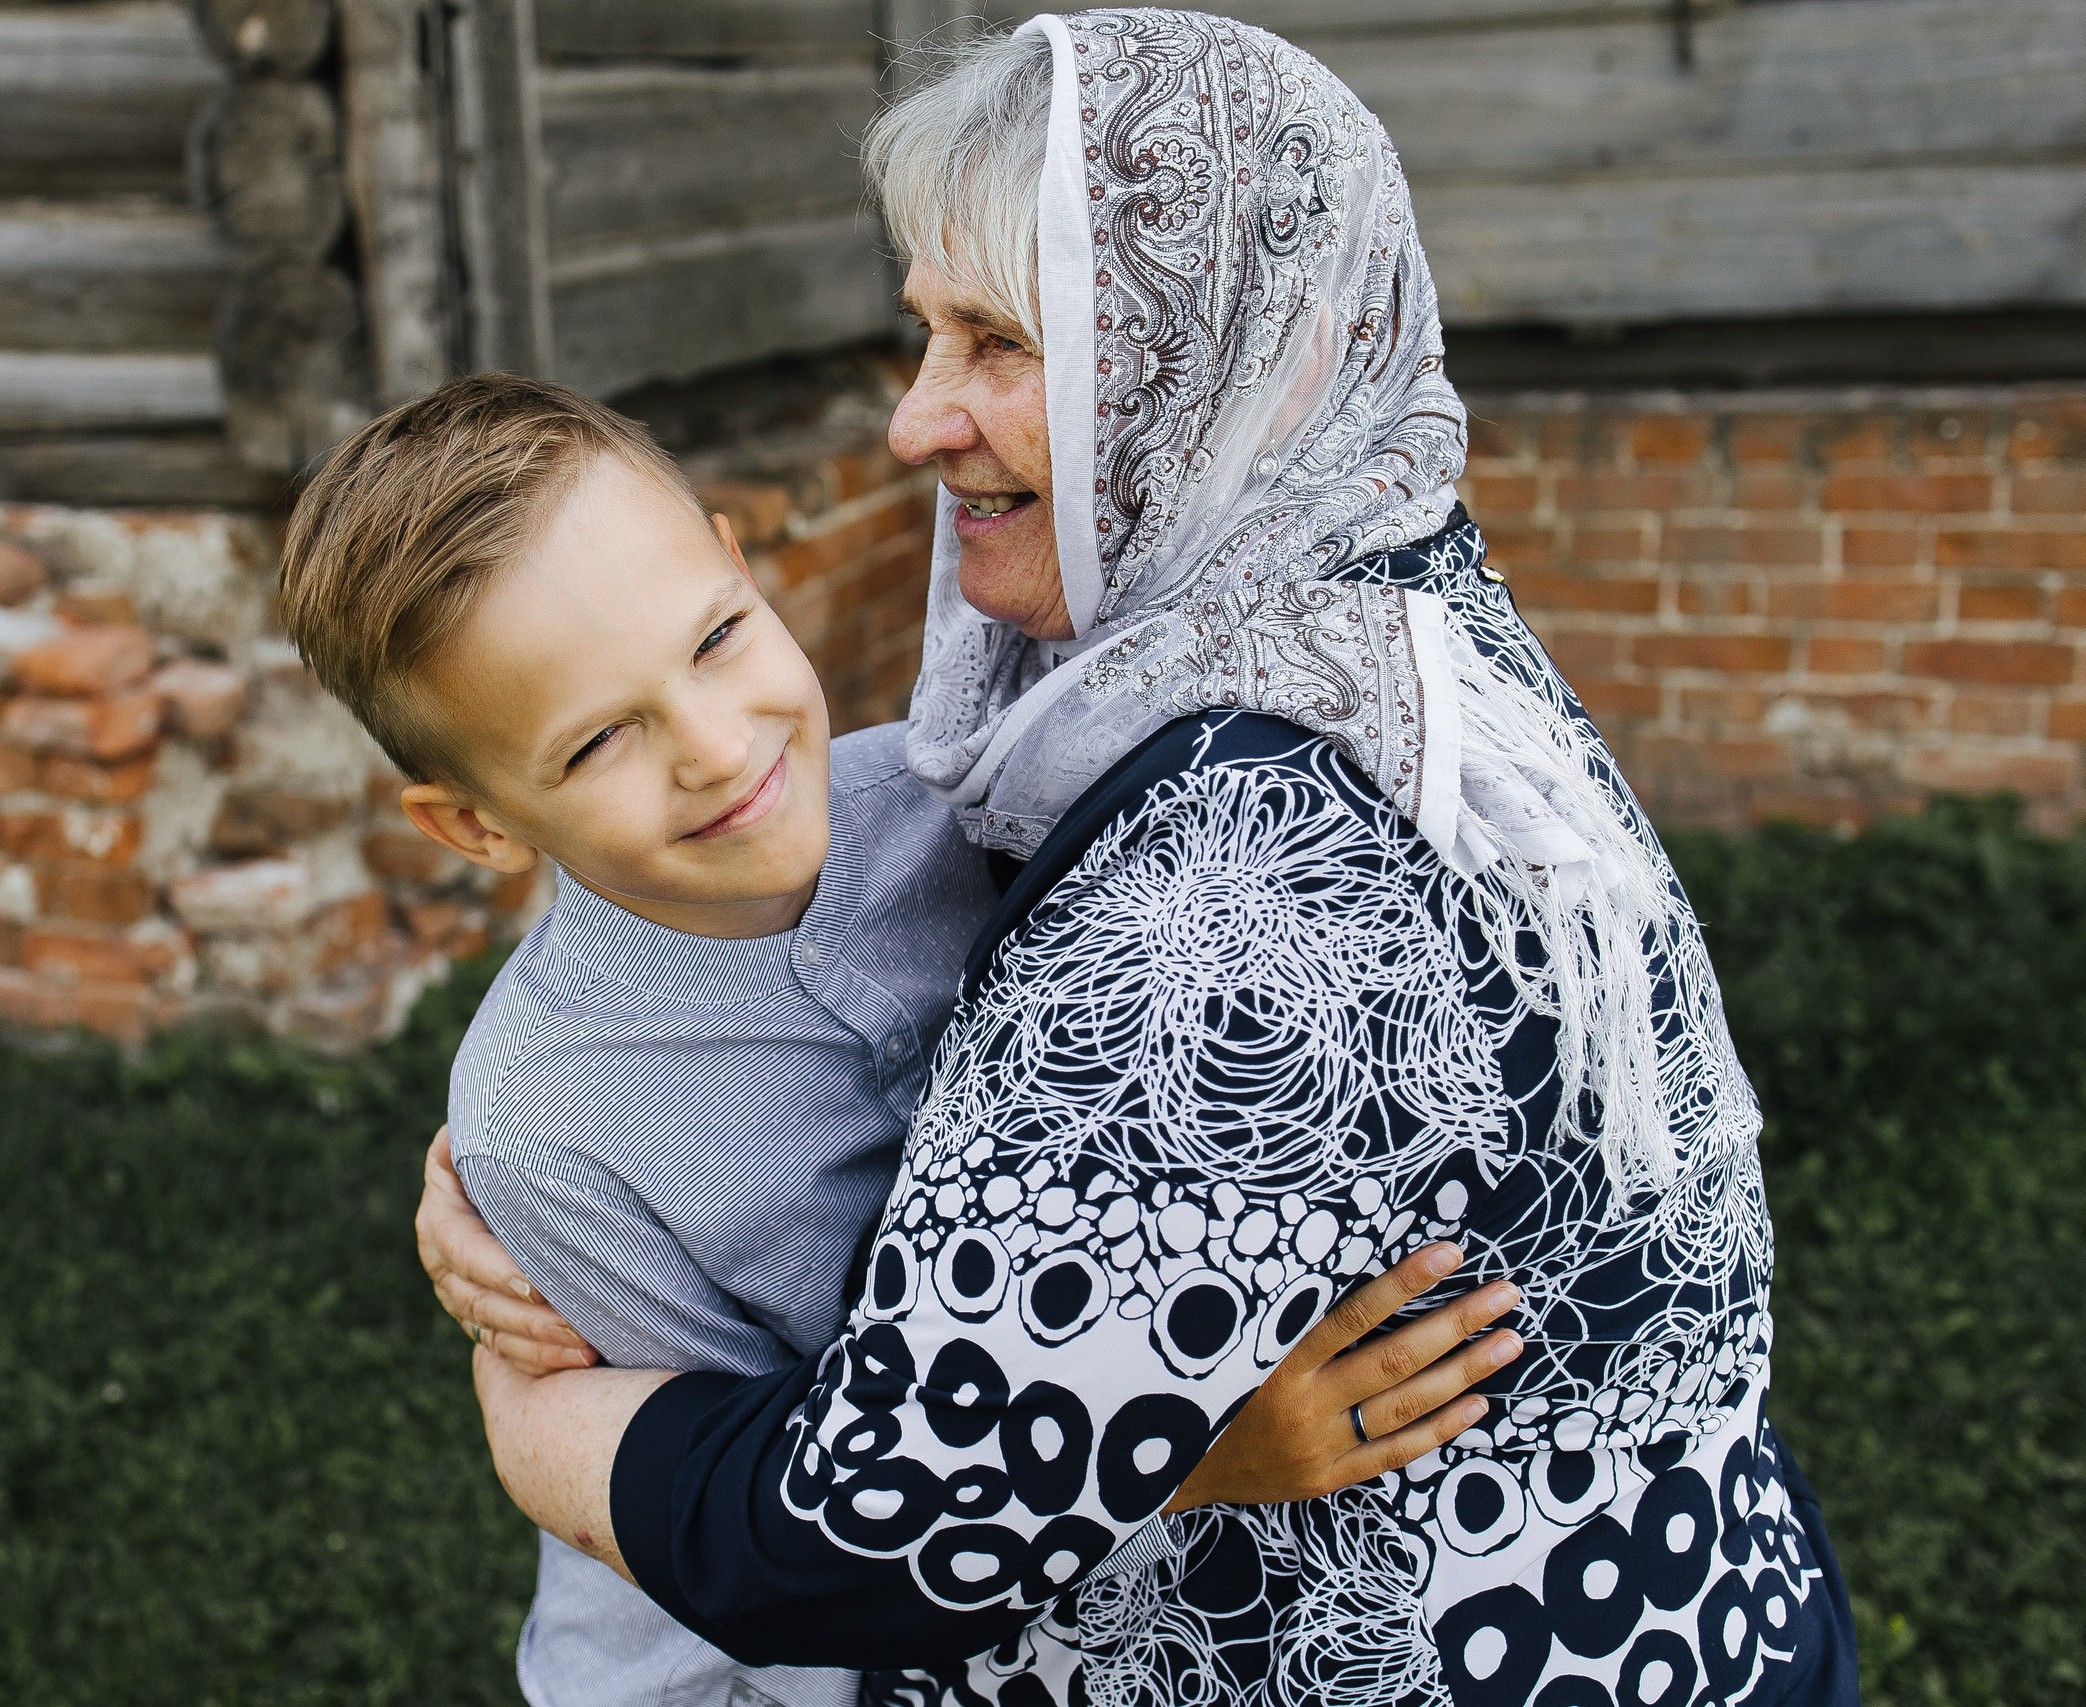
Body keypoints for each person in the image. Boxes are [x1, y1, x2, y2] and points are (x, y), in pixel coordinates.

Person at [438, 12, 1859, 1705]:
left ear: (1252, 349)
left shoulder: (1233, 886)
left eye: (1001, 340)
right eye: (924, 330)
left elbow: (891, 1528)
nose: (916, 423)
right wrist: (556, 1123)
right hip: (1689, 1608)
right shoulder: (1382, 625)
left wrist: (554, 1432)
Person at [280, 373, 1525, 1707]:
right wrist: (1187, 1455)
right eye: (596, 744)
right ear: (472, 825)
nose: (713, 747)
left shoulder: (962, 800)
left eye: (714, 639)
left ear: (738, 563)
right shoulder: (555, 1128)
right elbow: (784, 1515)